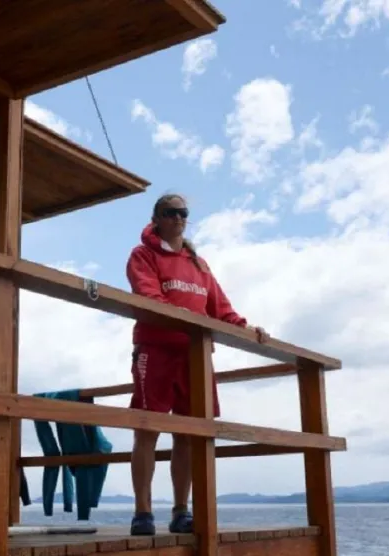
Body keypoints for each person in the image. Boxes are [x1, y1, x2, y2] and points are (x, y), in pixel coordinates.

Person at [125, 193, 266, 536]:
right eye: (169, 212)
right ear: (156, 217)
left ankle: (180, 511)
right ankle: (143, 513)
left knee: (188, 434)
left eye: (183, 212)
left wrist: (244, 328)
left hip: (196, 355)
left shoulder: (200, 265)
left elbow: (221, 308)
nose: (177, 217)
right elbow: (148, 295)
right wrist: (184, 317)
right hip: (155, 350)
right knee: (147, 429)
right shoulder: (142, 254)